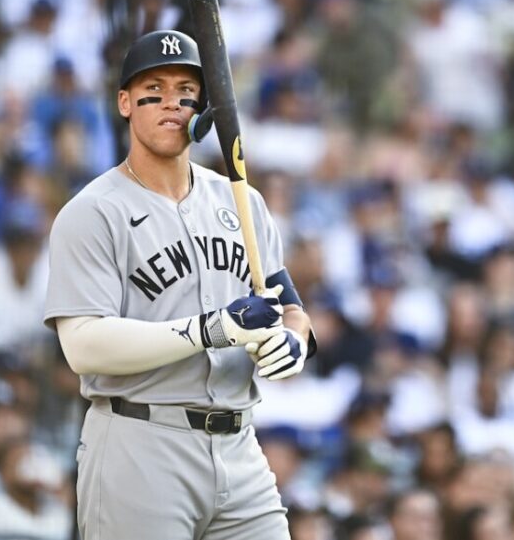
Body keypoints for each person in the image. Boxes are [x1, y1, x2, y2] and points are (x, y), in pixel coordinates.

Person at [44, 30, 315, 539]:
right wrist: (209, 329)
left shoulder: (240, 198)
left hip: (240, 445)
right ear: (125, 102)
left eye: (186, 91)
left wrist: (294, 341)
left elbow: (290, 307)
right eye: (156, 88)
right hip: (141, 440)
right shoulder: (93, 211)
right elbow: (83, 346)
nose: (172, 102)